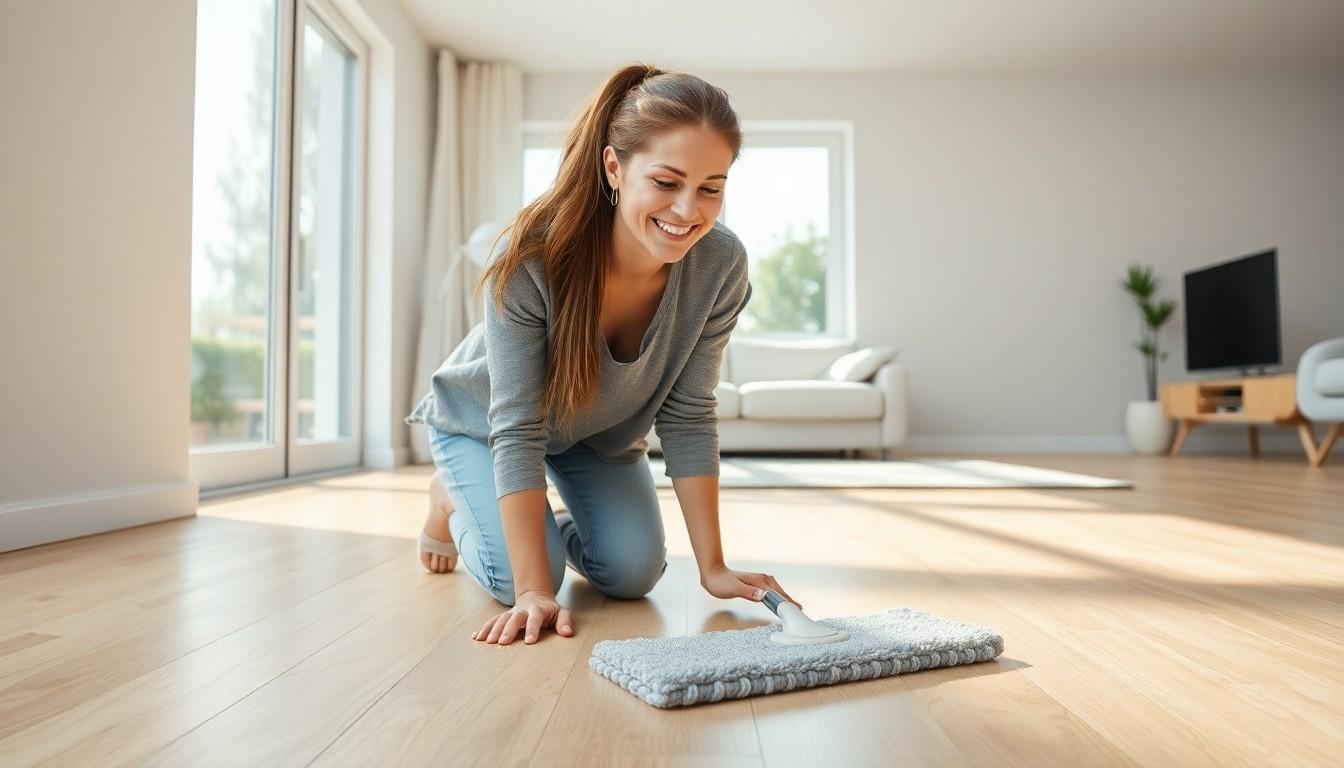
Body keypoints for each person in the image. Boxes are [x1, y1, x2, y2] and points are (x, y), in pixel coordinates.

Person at [405, 63, 799, 648]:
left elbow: (689, 414)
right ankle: (452, 495)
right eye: (666, 182)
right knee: (523, 577)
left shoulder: (721, 266)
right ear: (615, 167)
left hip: (598, 437)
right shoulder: (534, 253)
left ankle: (534, 524)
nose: (688, 210)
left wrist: (713, 566)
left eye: (710, 188)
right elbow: (515, 424)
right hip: (485, 429)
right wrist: (537, 590)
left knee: (633, 573)